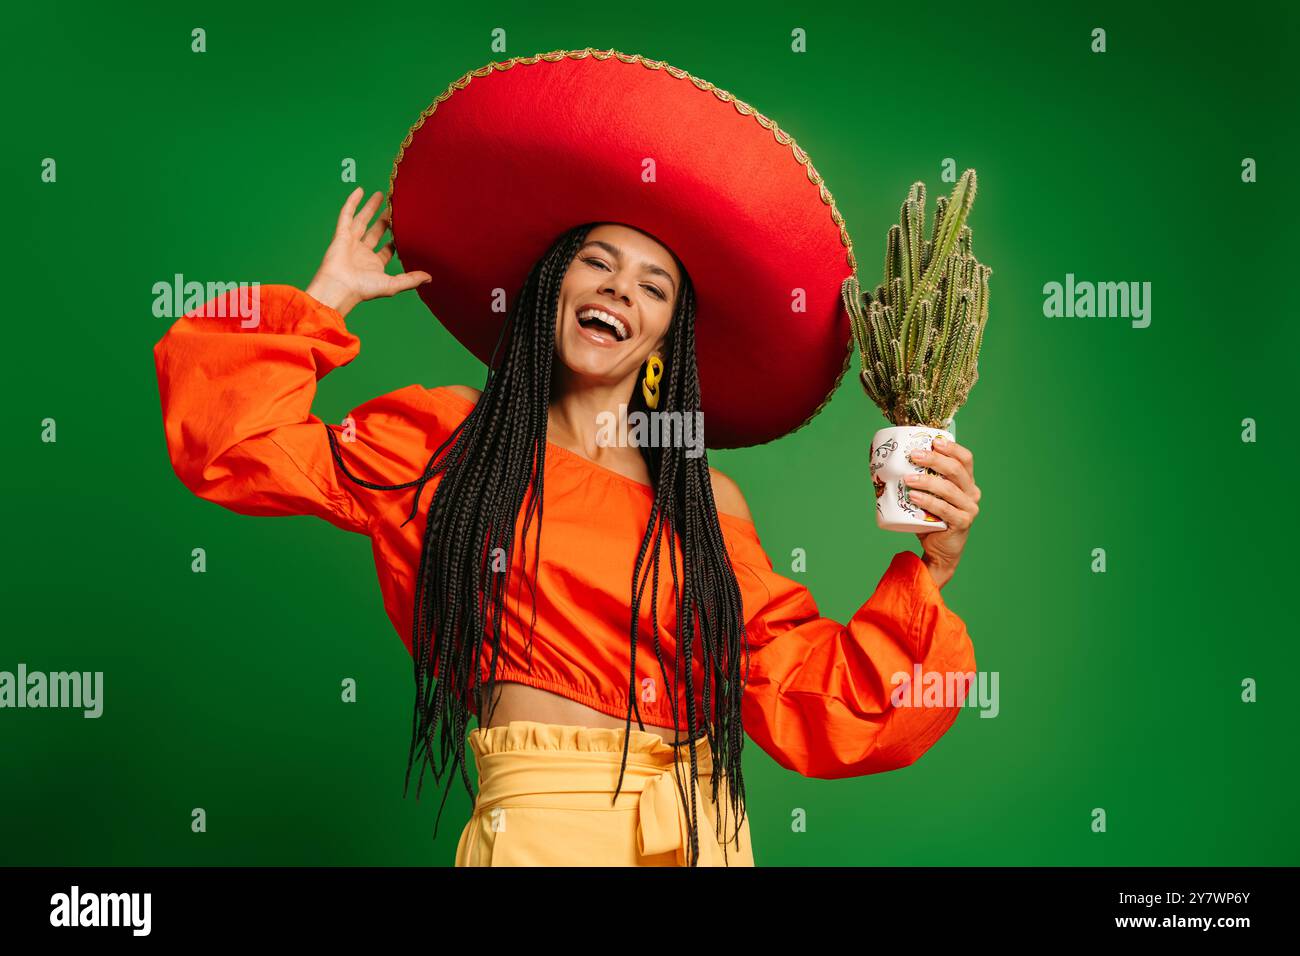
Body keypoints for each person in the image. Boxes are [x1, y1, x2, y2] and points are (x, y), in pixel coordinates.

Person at [152, 49, 982, 867]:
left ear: (665, 341)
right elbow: (231, 445)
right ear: (552, 288)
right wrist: (326, 300)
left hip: (700, 833)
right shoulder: (446, 443)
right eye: (599, 263)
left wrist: (933, 566)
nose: (622, 290)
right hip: (543, 833)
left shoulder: (706, 501)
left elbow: (810, 695)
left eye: (654, 287)